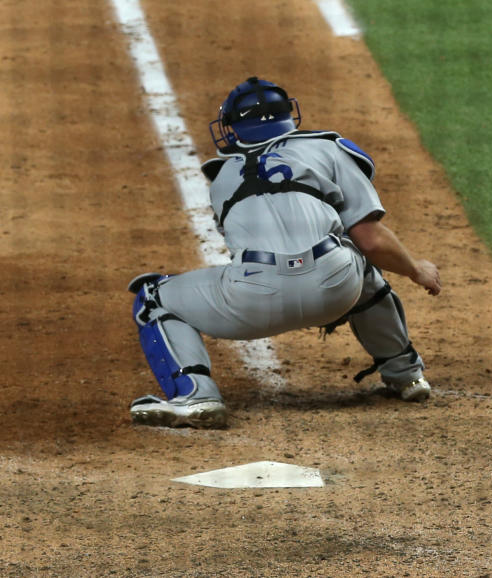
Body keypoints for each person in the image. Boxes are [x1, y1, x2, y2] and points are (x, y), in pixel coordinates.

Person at [127, 76, 441, 428]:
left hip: (252, 300)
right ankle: (406, 375)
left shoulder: (223, 175)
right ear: (289, 116)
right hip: (335, 287)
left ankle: (196, 395)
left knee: (153, 296)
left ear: (231, 129)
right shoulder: (327, 148)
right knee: (358, 256)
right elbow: (371, 238)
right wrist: (416, 269)